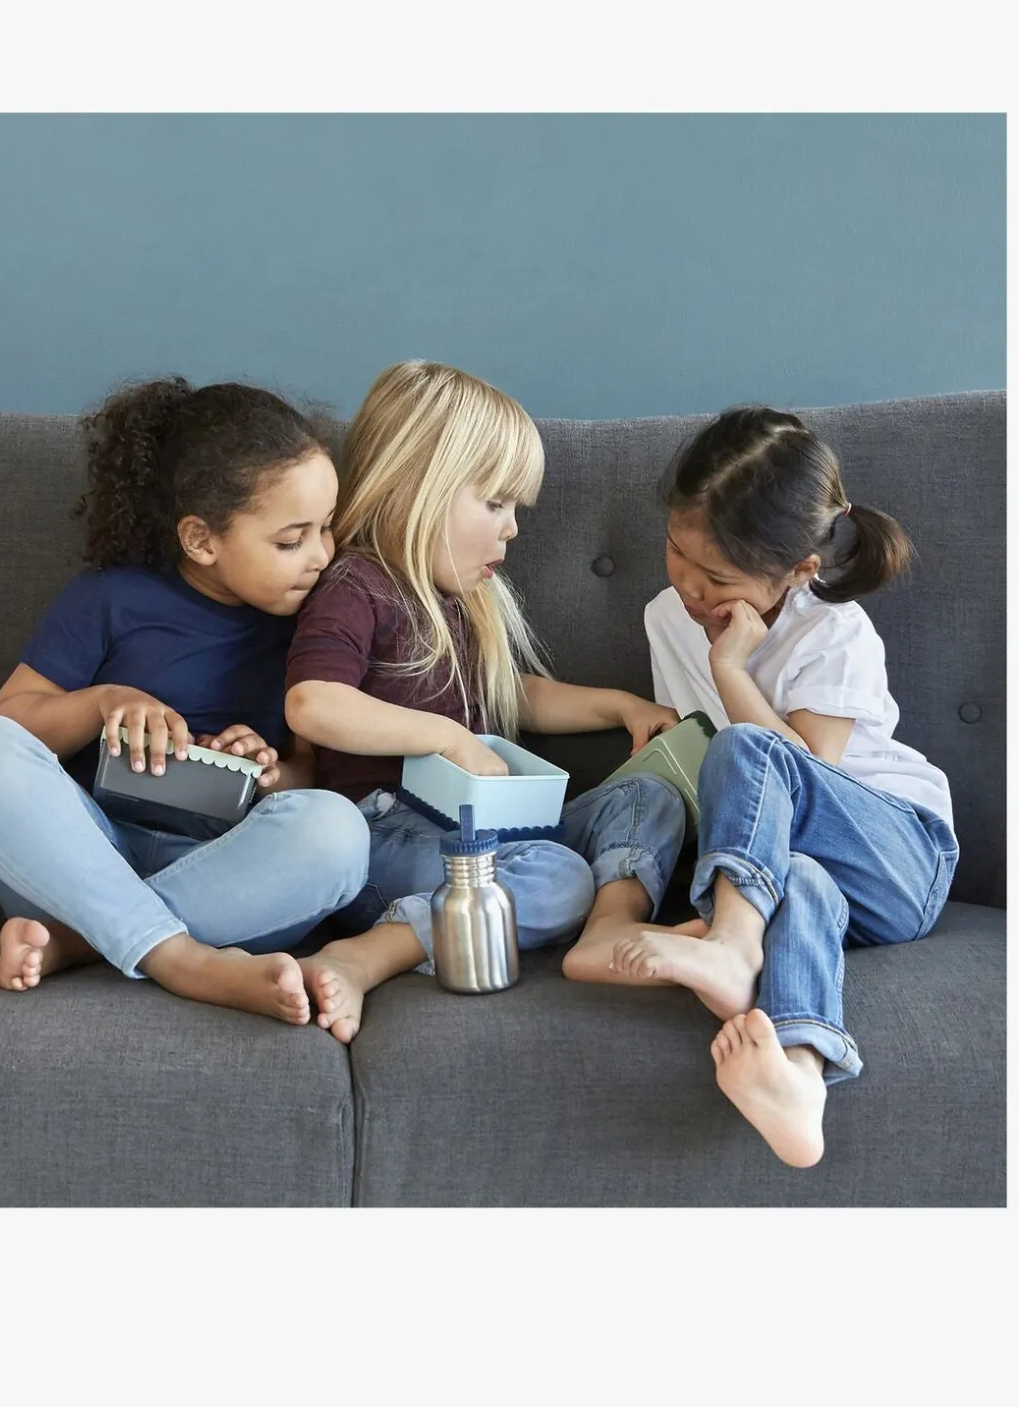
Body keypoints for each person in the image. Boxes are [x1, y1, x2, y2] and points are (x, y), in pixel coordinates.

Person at [283, 359, 704, 1044]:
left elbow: (517, 697)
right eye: (496, 504)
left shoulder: (464, 600)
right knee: (558, 879)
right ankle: (367, 955)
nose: (511, 529)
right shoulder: (357, 586)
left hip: (492, 830)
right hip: (388, 833)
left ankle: (609, 929)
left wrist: (621, 707)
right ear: (417, 486)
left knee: (649, 798)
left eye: (516, 510)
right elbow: (313, 704)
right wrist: (446, 737)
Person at [0, 377, 371, 1021]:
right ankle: (186, 962)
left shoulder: (318, 623)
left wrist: (270, 774)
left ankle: (83, 942)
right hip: (76, 858)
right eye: (291, 540)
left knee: (338, 830)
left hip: (222, 870)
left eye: (327, 529)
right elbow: (13, 722)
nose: (321, 557)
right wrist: (102, 702)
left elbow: (311, 770)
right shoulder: (110, 598)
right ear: (201, 540)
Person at [609, 405, 959, 1167]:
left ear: (799, 570)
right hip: (804, 875)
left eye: (717, 578)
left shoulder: (834, 631)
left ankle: (731, 943)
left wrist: (729, 667)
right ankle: (799, 1079)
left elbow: (800, 770)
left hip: (901, 856)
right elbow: (721, 772)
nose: (690, 587)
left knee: (749, 746)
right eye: (676, 552)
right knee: (798, 878)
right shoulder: (666, 616)